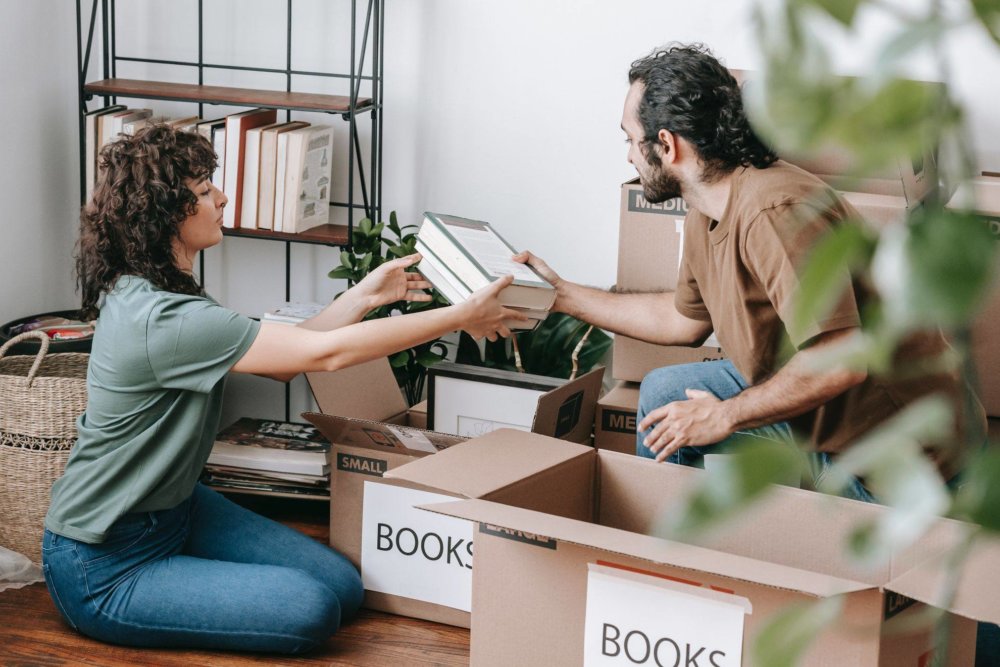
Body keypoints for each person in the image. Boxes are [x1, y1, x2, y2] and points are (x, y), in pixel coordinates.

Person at [42, 124, 525, 654]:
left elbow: (287, 354)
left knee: (342, 587)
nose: (221, 198)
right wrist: (458, 316)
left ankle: (186, 576)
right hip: (105, 562)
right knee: (309, 609)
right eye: (204, 191)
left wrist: (365, 295)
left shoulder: (160, 290)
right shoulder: (163, 317)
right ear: (165, 213)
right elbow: (323, 355)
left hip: (176, 510)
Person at [515, 43, 984, 497]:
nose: (628, 157)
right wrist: (560, 294)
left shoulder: (771, 211)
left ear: (667, 144)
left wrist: (725, 415)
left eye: (630, 140)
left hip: (900, 456)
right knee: (664, 395)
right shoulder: (707, 206)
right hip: (825, 415)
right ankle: (666, 562)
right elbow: (680, 321)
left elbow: (841, 358)